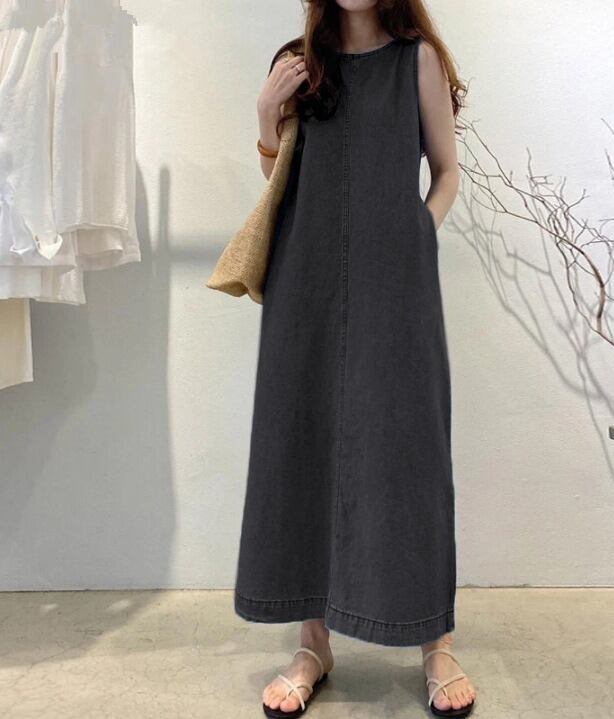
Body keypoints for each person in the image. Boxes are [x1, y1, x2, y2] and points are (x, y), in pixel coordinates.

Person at [235, 1, 476, 716]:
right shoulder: (297, 64)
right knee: (301, 445)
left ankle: (435, 642)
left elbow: (447, 172)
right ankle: (313, 644)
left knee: (409, 450)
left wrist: (415, 235)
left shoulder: (417, 61)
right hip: (302, 280)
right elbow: (281, 182)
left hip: (396, 278)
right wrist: (265, 116)